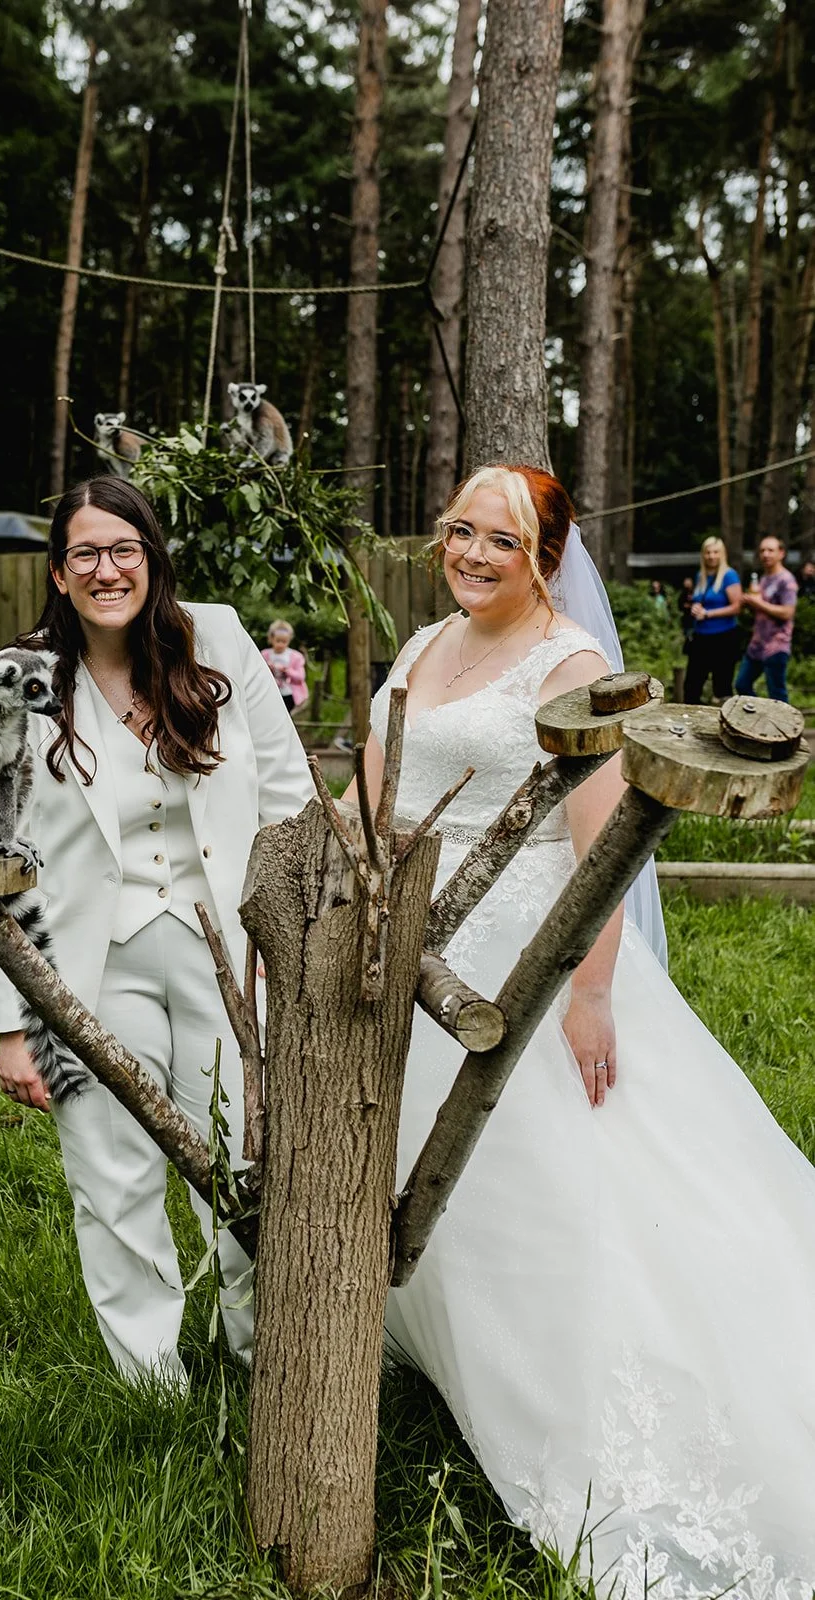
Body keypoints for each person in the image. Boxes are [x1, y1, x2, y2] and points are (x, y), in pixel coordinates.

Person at [350, 464, 815, 1596]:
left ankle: (577, 1415)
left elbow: (605, 847)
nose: (466, 553)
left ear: (544, 557)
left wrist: (591, 992)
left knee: (545, 1195)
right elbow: (373, 796)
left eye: (496, 540)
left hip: (529, 953)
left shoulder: (573, 668)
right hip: (406, 940)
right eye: (456, 529)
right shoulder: (417, 650)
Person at [0, 477, 313, 1388]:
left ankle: (262, 1355)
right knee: (111, 1170)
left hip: (231, 952)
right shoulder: (21, 682)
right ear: (58, 574)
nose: (106, 568)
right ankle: (151, 1380)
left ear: (151, 558)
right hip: (88, 963)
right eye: (84, 553)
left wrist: (293, 942)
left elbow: (288, 796)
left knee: (251, 1150)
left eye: (123, 548)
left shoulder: (219, 641)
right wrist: (14, 1025)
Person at [736, 534, 798, 702]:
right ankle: (762, 720)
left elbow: (787, 612)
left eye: (771, 550)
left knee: (777, 695)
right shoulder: (763, 579)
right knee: (742, 685)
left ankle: (786, 727)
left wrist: (759, 603)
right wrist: (748, 603)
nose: (766, 554)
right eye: (762, 550)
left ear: (781, 553)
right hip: (756, 645)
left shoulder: (786, 580)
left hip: (776, 645)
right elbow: (760, 608)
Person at [682, 535, 742, 703]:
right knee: (692, 686)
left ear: (722, 554)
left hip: (723, 637)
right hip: (701, 637)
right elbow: (699, 600)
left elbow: (737, 606)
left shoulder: (729, 576)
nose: (711, 556)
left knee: (721, 688)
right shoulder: (700, 576)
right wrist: (695, 608)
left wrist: (708, 614)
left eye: (716, 552)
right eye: (708, 552)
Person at [261, 618, 308, 715]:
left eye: (284, 641)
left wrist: (287, 670)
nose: (281, 644)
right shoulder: (264, 655)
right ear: (271, 639)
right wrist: (268, 669)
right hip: (270, 693)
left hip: (289, 693)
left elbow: (300, 677)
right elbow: (259, 675)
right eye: (278, 641)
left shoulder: (296, 656)